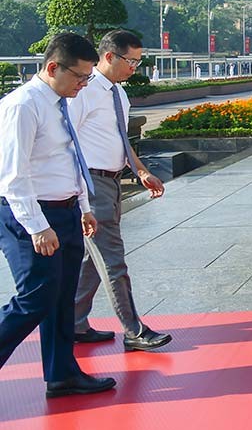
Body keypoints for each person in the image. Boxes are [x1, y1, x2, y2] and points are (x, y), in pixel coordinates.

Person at [0, 32, 115, 397]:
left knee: (62, 296)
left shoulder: (59, 102)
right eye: (80, 77)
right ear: (53, 67)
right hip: (31, 213)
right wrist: (37, 226)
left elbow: (67, 160)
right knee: (37, 297)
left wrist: (82, 206)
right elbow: (13, 176)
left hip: (65, 211)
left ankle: (62, 373)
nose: (85, 84)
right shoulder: (23, 105)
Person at [69, 30, 173, 351]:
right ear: (109, 56)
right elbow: (66, 141)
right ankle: (134, 329)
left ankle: (73, 321)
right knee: (113, 259)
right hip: (91, 184)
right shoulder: (83, 91)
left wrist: (140, 171)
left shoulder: (118, 93)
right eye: (131, 61)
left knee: (94, 260)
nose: (135, 68)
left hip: (112, 181)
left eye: (139, 62)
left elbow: (120, 139)